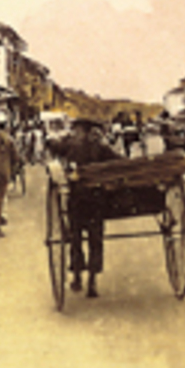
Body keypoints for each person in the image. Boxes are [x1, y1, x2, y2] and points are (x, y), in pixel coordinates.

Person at [50, 119, 119, 297]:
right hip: (96, 200)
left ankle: (77, 277)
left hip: (77, 200)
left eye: (77, 130)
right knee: (95, 239)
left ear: (82, 130)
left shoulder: (71, 145)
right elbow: (118, 161)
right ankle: (92, 281)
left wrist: (55, 140)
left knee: (76, 238)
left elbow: (54, 147)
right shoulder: (101, 147)